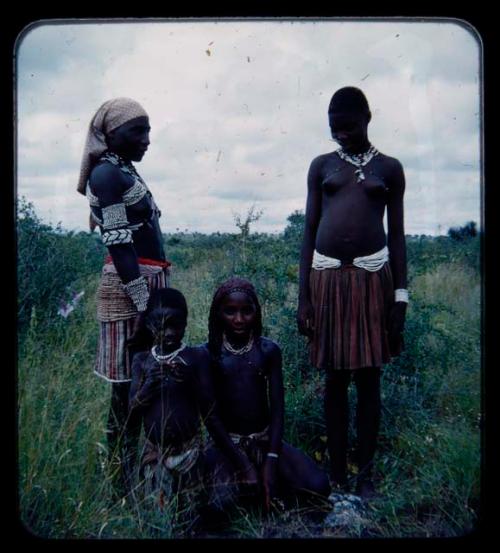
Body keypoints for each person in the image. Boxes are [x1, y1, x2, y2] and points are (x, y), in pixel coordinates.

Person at [297, 87, 408, 499]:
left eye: (348, 127)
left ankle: (367, 474)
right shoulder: (321, 166)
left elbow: (396, 235)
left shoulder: (390, 169)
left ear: (368, 118)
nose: (341, 135)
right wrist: (303, 298)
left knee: (368, 380)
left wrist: (400, 297)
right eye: (334, 130)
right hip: (326, 282)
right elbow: (309, 230)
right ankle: (338, 472)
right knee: (335, 380)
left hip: (372, 280)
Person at [77, 98, 170, 496]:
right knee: (125, 389)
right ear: (110, 134)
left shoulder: (122, 170)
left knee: (143, 382)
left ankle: (136, 471)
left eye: (148, 130)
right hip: (129, 289)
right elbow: (119, 244)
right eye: (138, 131)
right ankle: (119, 481)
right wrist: (144, 303)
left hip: (147, 283)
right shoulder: (106, 174)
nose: (147, 140)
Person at [203, 277, 331, 514]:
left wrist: (271, 460)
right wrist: (244, 464)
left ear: (257, 312)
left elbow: (278, 410)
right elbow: (211, 419)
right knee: (219, 506)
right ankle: (254, 484)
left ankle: (267, 482)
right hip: (226, 445)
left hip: (264, 440)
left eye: (246, 311)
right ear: (218, 313)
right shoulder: (209, 354)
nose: (239, 319)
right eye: (230, 312)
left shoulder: (268, 351)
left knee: (318, 486)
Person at [127, 288, 210, 525]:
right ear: (150, 326)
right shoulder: (142, 361)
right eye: (161, 326)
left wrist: (191, 380)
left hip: (190, 451)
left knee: (192, 517)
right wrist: (149, 385)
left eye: (176, 325)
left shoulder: (196, 357)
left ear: (186, 322)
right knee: (159, 519)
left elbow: (209, 405)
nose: (169, 333)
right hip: (155, 452)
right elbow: (132, 410)